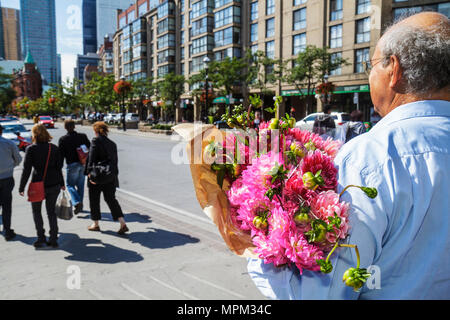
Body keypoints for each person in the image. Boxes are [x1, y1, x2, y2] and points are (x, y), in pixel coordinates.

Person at [247, 12, 450, 299]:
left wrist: (258, 242)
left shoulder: (372, 157)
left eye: (372, 65)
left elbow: (322, 292)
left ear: (394, 70)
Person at [19, 124, 65, 248]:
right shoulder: (54, 148)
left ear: (34, 135)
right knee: (51, 212)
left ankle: (41, 238)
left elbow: (26, 170)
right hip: (54, 183)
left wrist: (22, 187)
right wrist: (62, 183)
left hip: (37, 184)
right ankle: (54, 238)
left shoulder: (31, 149)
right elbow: (59, 168)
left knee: (36, 212)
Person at [85, 121, 129, 234]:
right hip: (110, 176)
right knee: (111, 199)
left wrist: (89, 172)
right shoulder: (112, 143)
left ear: (96, 131)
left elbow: (91, 157)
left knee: (94, 199)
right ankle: (122, 222)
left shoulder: (95, 140)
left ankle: (95, 224)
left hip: (97, 175)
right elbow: (114, 161)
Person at [58, 120, 91, 214]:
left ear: (65, 127)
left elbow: (61, 155)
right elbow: (89, 147)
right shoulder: (82, 136)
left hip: (71, 164)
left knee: (70, 185)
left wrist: (59, 167)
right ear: (74, 126)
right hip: (82, 163)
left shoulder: (63, 139)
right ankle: (79, 204)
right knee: (80, 185)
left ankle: (76, 202)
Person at [0, 125, 22, 240]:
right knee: (6, 205)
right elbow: (18, 159)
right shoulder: (9, 143)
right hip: (7, 177)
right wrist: (10, 166)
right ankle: (7, 230)